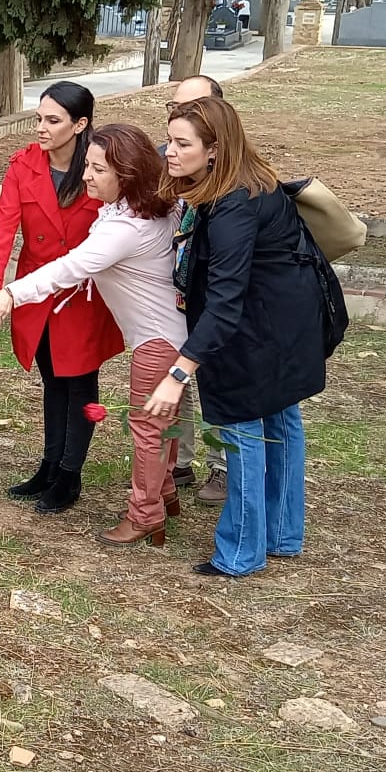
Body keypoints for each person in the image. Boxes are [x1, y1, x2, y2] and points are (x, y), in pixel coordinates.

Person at [144, 97, 329, 577]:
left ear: (215, 149)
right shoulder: (253, 182)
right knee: (281, 420)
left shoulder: (232, 207)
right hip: (286, 323)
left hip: (253, 334)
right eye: (170, 139)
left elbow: (225, 300)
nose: (170, 150)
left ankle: (242, 552)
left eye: (183, 143)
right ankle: (282, 534)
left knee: (243, 431)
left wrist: (178, 373)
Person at [0, 124, 188, 547]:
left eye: (97, 169)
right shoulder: (145, 207)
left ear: (126, 175)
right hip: (169, 334)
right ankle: (164, 494)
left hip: (158, 339)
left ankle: (144, 514)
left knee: (147, 428)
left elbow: (68, 268)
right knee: (162, 423)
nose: (87, 176)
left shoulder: (124, 229)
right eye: (88, 165)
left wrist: (9, 294)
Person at [0, 81, 123, 510]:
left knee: (79, 381)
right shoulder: (24, 166)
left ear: (80, 125)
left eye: (52, 121)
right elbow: (3, 229)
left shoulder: (101, 168)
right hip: (36, 290)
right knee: (52, 379)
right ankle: (50, 464)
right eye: (39, 118)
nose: (40, 127)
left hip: (83, 293)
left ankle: (70, 474)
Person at [165, 73, 229, 504]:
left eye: (190, 108)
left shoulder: (229, 178)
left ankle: (223, 466)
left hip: (214, 296)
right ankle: (179, 460)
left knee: (216, 379)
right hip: (176, 293)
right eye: (174, 108)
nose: (179, 116)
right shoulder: (169, 160)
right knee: (175, 379)